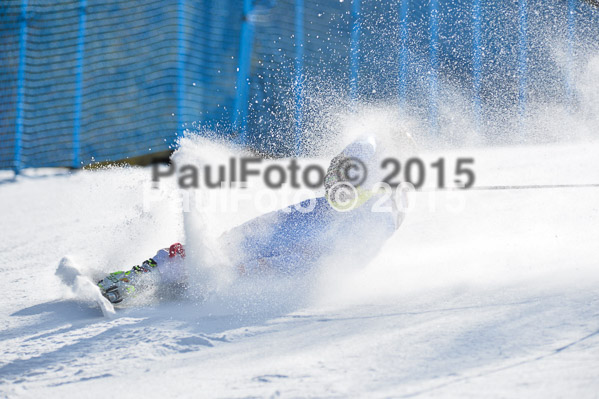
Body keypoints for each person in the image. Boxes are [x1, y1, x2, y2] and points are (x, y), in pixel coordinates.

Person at [97, 136, 406, 304]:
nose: (334, 181)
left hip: (297, 259)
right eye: (335, 174)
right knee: (231, 243)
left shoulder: (369, 222)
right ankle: (149, 275)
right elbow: (367, 147)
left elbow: (315, 264)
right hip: (312, 222)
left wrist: (251, 268)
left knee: (230, 257)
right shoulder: (349, 189)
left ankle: (159, 276)